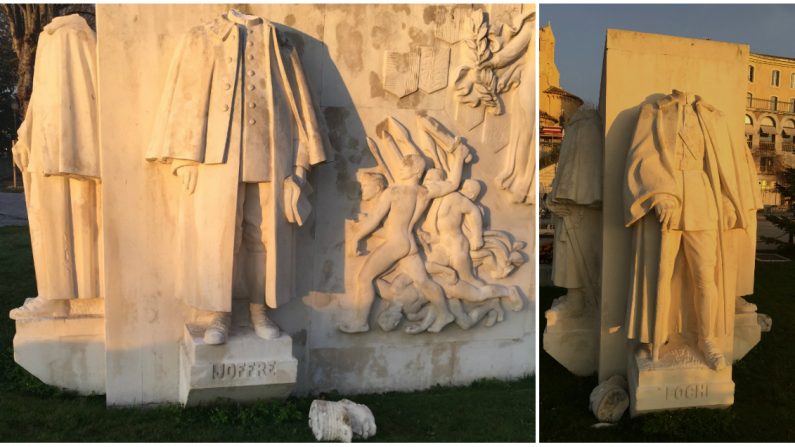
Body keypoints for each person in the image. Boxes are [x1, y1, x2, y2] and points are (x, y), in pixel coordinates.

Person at [146, 10, 326, 344]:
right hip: (218, 156)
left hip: (269, 154)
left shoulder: (279, 42)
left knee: (262, 237)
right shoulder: (203, 36)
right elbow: (185, 96)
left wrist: (300, 167)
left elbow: (301, 108)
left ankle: (259, 310)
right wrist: (184, 157)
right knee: (221, 239)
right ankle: (220, 314)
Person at [624, 90, 760, 369]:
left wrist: (725, 201)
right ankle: (656, 337)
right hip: (670, 197)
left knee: (705, 276)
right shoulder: (656, 112)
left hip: (702, 197)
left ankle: (707, 339)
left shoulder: (712, 117)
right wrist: (660, 195)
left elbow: (720, 166)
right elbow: (643, 156)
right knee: (659, 274)